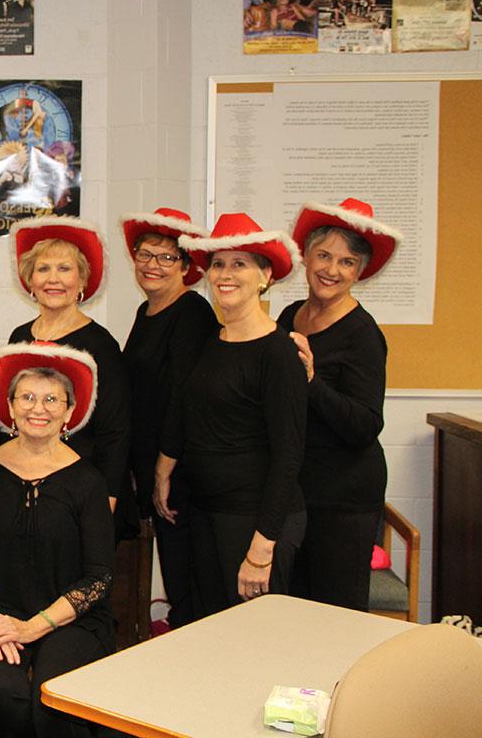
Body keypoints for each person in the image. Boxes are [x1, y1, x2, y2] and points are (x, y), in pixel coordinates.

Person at [155, 213, 308, 617]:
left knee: (255, 644)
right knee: (213, 636)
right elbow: (185, 410)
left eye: (240, 263)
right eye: (219, 264)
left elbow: (289, 455)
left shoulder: (278, 353)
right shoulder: (212, 341)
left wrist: (262, 547)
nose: (225, 273)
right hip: (207, 515)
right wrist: (163, 470)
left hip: (256, 522)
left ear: (265, 276)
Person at [0, 343, 115, 737]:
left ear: (69, 412)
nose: (39, 408)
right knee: (3, 694)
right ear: (9, 407)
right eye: (27, 397)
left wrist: (32, 628)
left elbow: (98, 578)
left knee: (53, 699)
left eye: (52, 400)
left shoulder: (88, 480)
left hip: (71, 620)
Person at [281, 198, 402, 611]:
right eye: (325, 255)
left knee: (335, 612)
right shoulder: (289, 316)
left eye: (347, 262)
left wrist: (314, 382)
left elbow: (366, 424)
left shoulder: (363, 334)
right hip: (297, 491)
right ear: (307, 256)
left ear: (360, 271)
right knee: (292, 606)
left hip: (344, 497)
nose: (332, 270)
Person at [119, 209, 218, 629]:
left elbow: (184, 398)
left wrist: (163, 468)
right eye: (146, 254)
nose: (152, 265)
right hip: (157, 467)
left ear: (187, 266)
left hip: (181, 470)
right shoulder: (146, 312)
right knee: (179, 578)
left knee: (191, 583)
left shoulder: (191, 313)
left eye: (166, 257)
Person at [0, 217, 132, 515]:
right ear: (30, 280)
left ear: (82, 280)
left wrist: (107, 498)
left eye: (65, 269)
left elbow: (115, 431)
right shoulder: (19, 338)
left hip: (81, 492)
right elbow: (7, 418)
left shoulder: (101, 345)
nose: (53, 279)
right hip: (21, 485)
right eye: (43, 269)